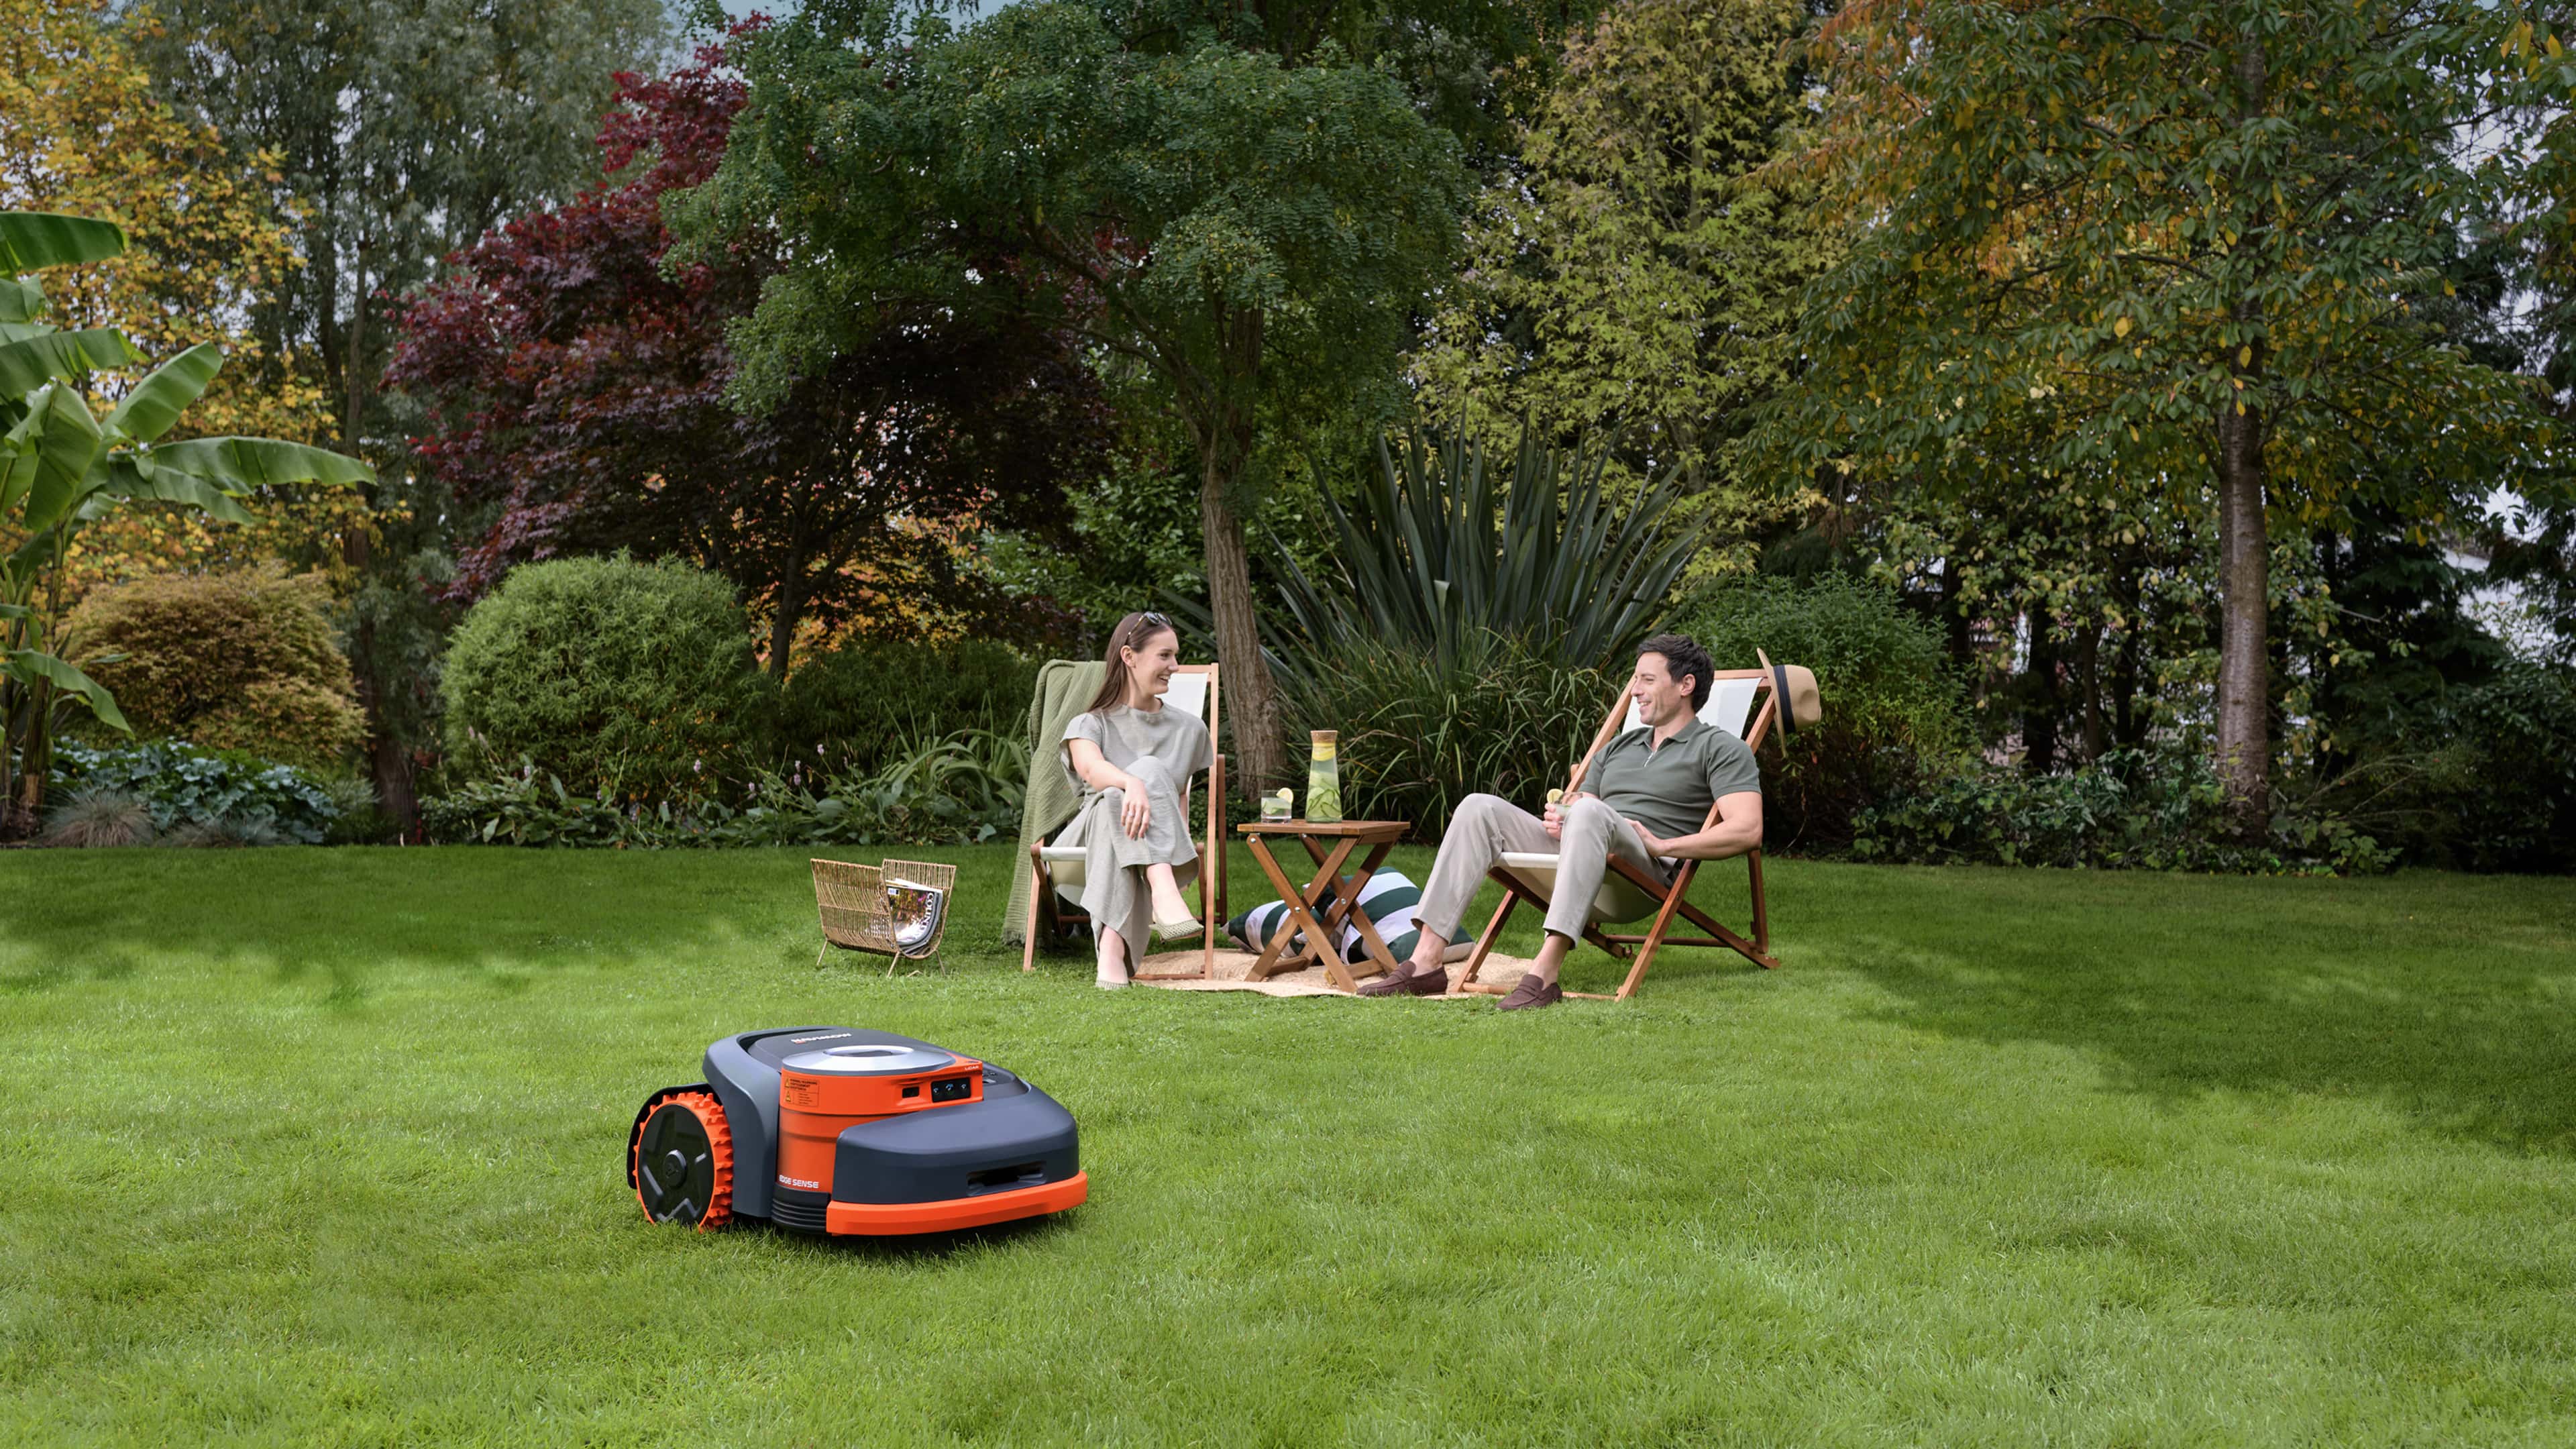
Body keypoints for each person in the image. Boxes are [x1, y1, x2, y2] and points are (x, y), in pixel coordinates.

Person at [1356, 633, 1762, 1010]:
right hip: (1583, 864)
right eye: (1635, 679)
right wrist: (1564, 819)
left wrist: (1663, 846)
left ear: (1686, 685)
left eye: (1647, 680)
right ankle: (1426, 963)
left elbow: (1747, 829)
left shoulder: (1720, 748)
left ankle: (1544, 973)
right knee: (1478, 807)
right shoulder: (1618, 747)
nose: (1634, 690)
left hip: (1639, 876)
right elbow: (1583, 807)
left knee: (1588, 811)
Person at [1060, 611, 1216, 988]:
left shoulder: (1191, 729)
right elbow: (1092, 770)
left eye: (1175, 656)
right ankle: (1161, 884)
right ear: (1129, 656)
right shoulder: (1089, 724)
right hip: (1087, 843)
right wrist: (1132, 783)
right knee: (1119, 791)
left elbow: (1180, 796)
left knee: (1137, 782)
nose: (1175, 666)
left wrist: (1173, 837)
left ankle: (1111, 951)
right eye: (1165, 655)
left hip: (1142, 843)